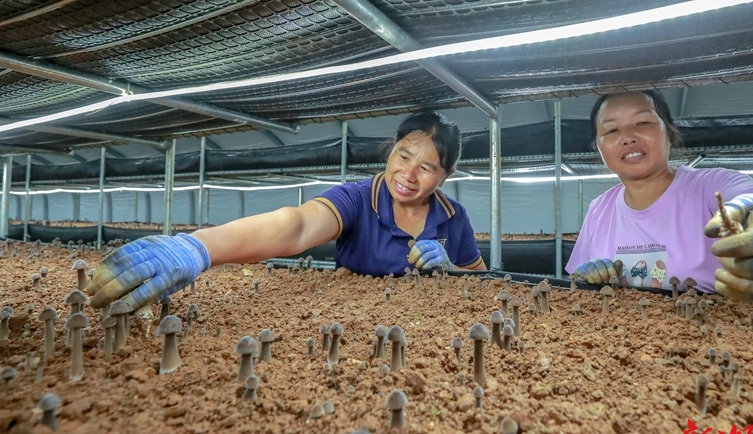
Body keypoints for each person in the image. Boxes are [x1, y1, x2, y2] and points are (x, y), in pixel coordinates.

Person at [87, 111, 486, 309]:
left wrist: (449, 267)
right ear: (391, 149)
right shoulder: (357, 199)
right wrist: (198, 246)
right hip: (347, 327)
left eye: (427, 167)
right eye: (404, 156)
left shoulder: (455, 218)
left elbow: (483, 283)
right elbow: (295, 226)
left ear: (444, 176)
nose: (408, 174)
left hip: (426, 335)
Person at [566, 90, 753, 301]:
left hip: (711, 337)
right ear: (598, 146)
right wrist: (587, 277)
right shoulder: (599, 208)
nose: (628, 136)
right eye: (611, 129)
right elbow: (576, 284)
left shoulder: (711, 187)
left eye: (643, 122)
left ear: (668, 132)